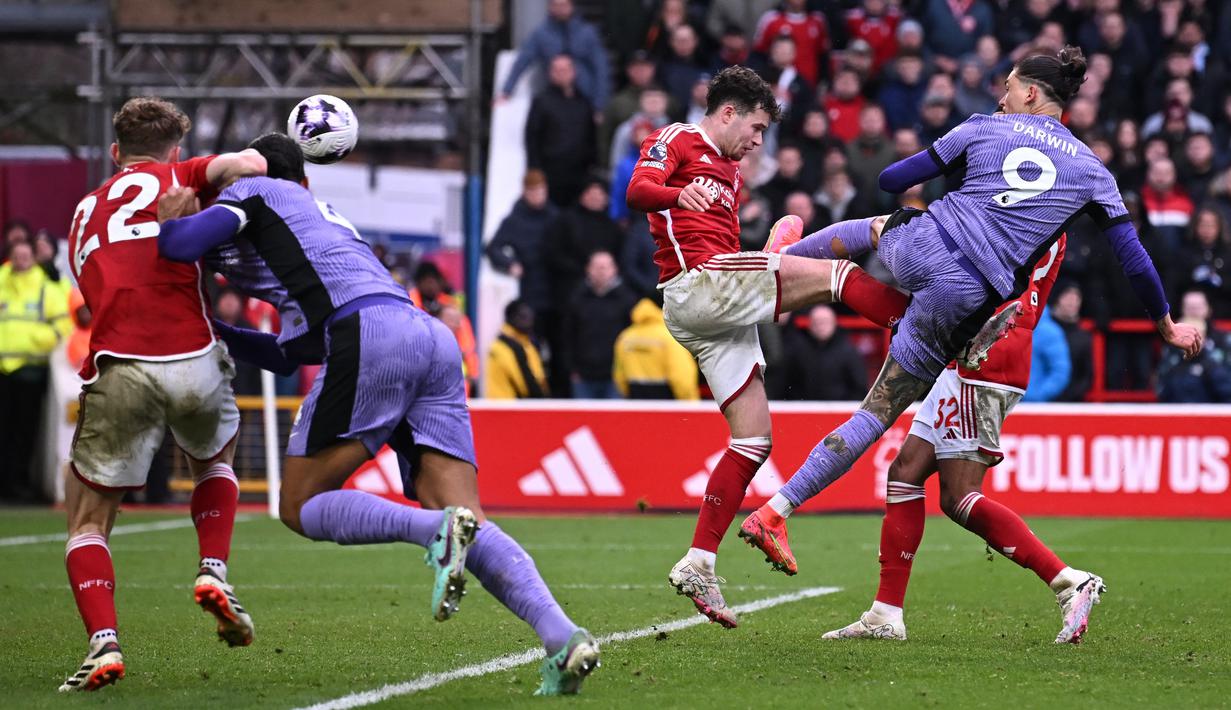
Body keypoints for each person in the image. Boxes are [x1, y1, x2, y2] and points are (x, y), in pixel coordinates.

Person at [157, 133, 598, 695]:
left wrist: (170, 218)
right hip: (423, 335)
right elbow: (294, 351)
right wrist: (221, 335)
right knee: (468, 513)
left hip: (368, 332)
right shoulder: (322, 218)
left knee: (299, 504)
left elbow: (179, 243)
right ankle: (561, 635)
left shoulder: (250, 190)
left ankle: (432, 532)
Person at [739, 46, 1202, 578]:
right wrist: (1164, 322)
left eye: (1009, 85)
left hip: (925, 245)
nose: (1002, 94)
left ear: (1030, 92)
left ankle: (780, 260)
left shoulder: (983, 126)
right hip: (968, 297)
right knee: (877, 412)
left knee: (873, 228)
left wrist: (951, 160)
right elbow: (1134, 259)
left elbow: (893, 178)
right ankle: (775, 512)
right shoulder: (1092, 171)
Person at [625, 67, 912, 627]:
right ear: (728, 112)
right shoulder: (679, 139)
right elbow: (637, 191)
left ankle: (698, 561)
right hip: (698, 287)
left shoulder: (730, 173)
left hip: (717, 299)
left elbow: (737, 259)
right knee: (836, 275)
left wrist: (772, 255)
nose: (758, 142)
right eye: (755, 128)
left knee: (754, 440)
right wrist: (678, 189)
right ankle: (923, 330)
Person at [57, 96, 267, 692]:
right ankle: (213, 569)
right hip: (193, 356)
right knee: (215, 461)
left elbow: (91, 291)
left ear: (116, 153)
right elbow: (251, 164)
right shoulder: (183, 175)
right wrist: (200, 193)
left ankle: (104, 646)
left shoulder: (83, 211)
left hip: (121, 360)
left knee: (88, 521)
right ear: (174, 150)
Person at [822, 236, 1111, 645]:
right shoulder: (1047, 201)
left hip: (989, 351)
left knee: (960, 496)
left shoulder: (1032, 205)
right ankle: (884, 614)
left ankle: (1068, 582)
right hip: (975, 350)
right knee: (904, 472)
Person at [0, 240, 71, 501]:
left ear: (32, 258)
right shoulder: (2, 280)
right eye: (16, 255)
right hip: (2, 369)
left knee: (24, 431)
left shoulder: (45, 285)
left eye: (25, 256)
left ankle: (18, 484)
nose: (20, 260)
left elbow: (63, 324)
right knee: (4, 430)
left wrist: (35, 340)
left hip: (31, 369)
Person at [498, 0, 609, 111]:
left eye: (563, 5)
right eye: (556, 5)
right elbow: (522, 61)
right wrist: (506, 91)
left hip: (584, 95)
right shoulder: (541, 34)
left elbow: (601, 68)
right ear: (550, 7)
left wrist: (599, 103)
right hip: (553, 97)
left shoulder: (587, 33)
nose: (560, 9)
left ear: (572, 6)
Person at [486, 169, 559, 326]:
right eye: (532, 191)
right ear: (525, 192)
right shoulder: (515, 220)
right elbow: (493, 247)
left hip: (555, 287)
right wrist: (510, 264)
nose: (536, 195)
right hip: (529, 288)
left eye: (540, 190)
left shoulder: (555, 217)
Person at [563, 251, 638, 399]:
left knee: (615, 421)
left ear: (614, 269)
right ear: (588, 269)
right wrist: (571, 369)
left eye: (605, 267)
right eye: (597, 267)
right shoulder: (577, 298)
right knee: (584, 421)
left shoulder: (627, 299)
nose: (601, 271)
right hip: (583, 375)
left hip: (616, 375)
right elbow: (567, 336)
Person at [525, 55, 598, 208]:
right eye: (557, 70)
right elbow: (532, 138)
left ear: (573, 72)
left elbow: (591, 136)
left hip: (579, 174)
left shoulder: (583, 102)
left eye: (565, 70)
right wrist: (535, 169)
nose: (561, 74)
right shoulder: (542, 102)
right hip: (551, 174)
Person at [613, 293, 699, 400]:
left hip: (635, 398)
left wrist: (627, 394)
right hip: (666, 400)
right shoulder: (669, 336)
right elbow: (681, 375)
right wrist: (690, 402)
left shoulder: (625, 337)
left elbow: (619, 375)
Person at [781, 304, 867, 401]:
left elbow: (859, 387)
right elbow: (789, 384)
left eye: (825, 322)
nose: (821, 326)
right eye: (817, 322)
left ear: (834, 323)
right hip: (805, 409)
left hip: (840, 409)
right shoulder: (798, 351)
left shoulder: (848, 351)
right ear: (810, 326)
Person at [1157, 290, 1231, 403]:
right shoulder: (1171, 346)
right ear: (1182, 309)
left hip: (1215, 410)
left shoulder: (1224, 341)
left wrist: (1204, 362)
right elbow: (1162, 388)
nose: (1193, 312)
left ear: (1209, 309)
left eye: (1197, 307)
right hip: (1178, 409)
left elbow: (1227, 388)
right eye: (1189, 307)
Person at [485, 299, 549, 399]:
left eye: (530, 317)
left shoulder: (525, 343)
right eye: (523, 317)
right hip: (509, 408)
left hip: (517, 406)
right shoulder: (505, 347)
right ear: (511, 318)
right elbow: (525, 386)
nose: (529, 321)